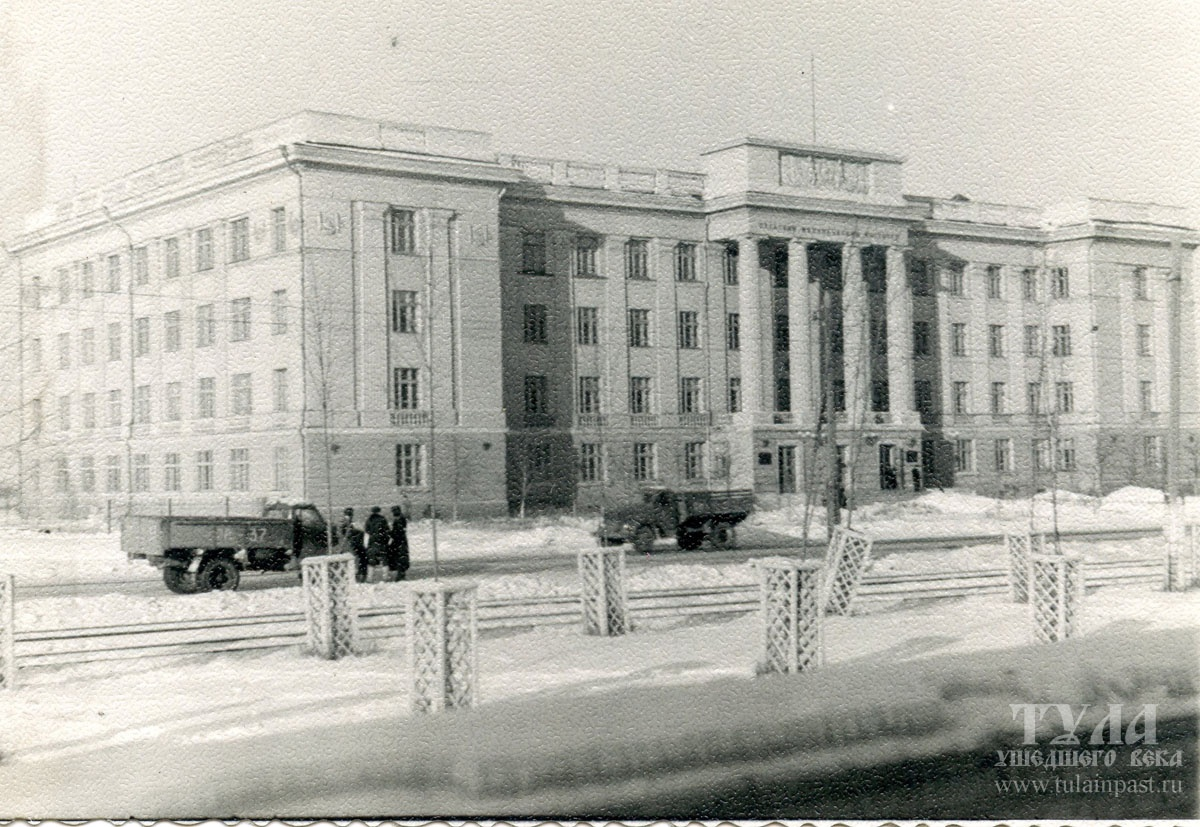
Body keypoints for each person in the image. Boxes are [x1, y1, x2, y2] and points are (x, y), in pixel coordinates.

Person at [336, 507, 368, 582]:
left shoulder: (345, 522)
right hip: (350, 546)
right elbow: (346, 534)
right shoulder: (346, 523)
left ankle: (352, 577)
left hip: (348, 546)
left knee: (351, 562)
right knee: (355, 561)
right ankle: (355, 577)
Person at [364, 506, 390, 582]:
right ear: (379, 511)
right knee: (384, 560)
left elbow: (366, 533)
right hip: (382, 542)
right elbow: (387, 531)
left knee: (371, 561)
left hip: (372, 543)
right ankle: (385, 578)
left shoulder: (369, 520)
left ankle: (369, 578)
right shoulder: (383, 519)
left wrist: (366, 545)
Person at [387, 505, 410, 581]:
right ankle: (401, 574)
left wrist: (390, 533)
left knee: (399, 557)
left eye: (394, 511)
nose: (393, 513)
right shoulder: (400, 518)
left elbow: (398, 532)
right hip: (400, 541)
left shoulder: (400, 519)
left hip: (399, 541)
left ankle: (400, 574)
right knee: (400, 557)